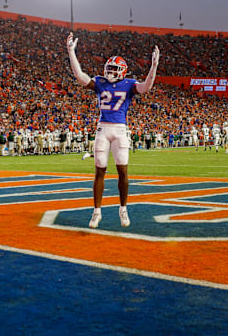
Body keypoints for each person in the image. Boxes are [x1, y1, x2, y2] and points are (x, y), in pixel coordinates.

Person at [67, 32, 160, 228]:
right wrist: (71, 52)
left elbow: (146, 87)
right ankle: (96, 211)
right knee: (99, 171)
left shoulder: (129, 84)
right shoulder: (100, 82)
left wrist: (153, 67)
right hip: (102, 129)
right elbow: (79, 75)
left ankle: (123, 209)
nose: (110, 72)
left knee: (123, 171)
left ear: (123, 71)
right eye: (109, 68)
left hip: (119, 130)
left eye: (114, 69)